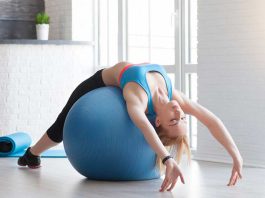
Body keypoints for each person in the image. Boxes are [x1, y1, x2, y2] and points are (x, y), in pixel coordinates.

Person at [17, 62, 243, 192]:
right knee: (60, 125)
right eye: (183, 119)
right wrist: (236, 156)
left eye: (173, 121)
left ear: (158, 121)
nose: (179, 114)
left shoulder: (138, 98)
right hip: (102, 83)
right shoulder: (176, 97)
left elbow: (142, 124)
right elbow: (211, 119)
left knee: (60, 128)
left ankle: (31, 153)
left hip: (100, 82)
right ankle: (33, 153)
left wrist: (166, 158)